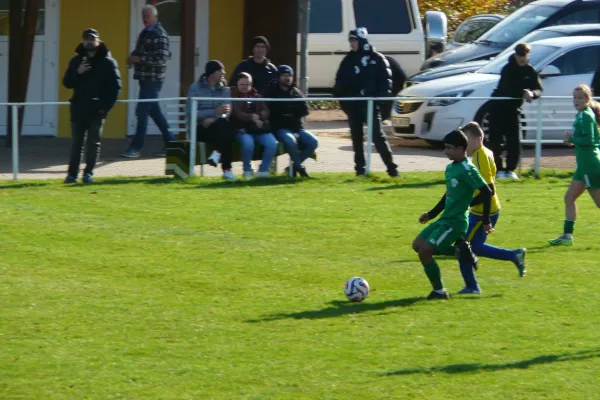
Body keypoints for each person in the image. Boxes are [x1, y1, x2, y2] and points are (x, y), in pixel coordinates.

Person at [413, 129, 493, 300]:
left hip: (456, 222)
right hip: (444, 219)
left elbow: (487, 191)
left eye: (449, 148)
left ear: (460, 148)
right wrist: (431, 214)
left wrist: (486, 220)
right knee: (417, 245)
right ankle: (461, 251)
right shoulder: (451, 168)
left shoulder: (468, 169)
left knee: (425, 251)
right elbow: (448, 194)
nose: (445, 151)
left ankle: (440, 291)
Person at [455, 122, 527, 294]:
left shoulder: (480, 156)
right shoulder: (486, 152)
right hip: (489, 208)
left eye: (468, 140)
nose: (465, 144)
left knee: (463, 247)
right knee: (476, 247)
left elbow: (488, 190)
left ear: (478, 138)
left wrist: (475, 209)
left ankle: (472, 286)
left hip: (482, 211)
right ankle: (514, 255)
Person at [334, 27, 398, 177]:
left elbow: (385, 81)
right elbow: (339, 82)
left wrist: (381, 101)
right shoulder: (348, 60)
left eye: (354, 40)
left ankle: (392, 168)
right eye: (350, 40)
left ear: (362, 40)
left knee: (377, 136)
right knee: (356, 138)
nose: (352, 43)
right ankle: (360, 170)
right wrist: (344, 100)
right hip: (354, 106)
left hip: (370, 106)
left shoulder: (377, 59)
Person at [63, 29, 122, 184]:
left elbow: (116, 88)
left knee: (93, 142)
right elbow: (67, 83)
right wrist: (78, 72)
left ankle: (88, 173)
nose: (89, 41)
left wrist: (105, 108)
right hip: (78, 108)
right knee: (77, 143)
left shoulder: (108, 62)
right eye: (86, 39)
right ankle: (72, 175)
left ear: (98, 41)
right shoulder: (76, 61)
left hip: (97, 110)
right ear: (82, 41)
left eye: (92, 39)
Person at [548, 84, 600, 246]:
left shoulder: (585, 116)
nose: (576, 101)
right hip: (583, 167)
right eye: (574, 98)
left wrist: (572, 139)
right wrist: (574, 139)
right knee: (569, 198)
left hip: (590, 166)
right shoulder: (581, 115)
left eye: (580, 98)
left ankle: (567, 235)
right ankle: (567, 236)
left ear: (587, 99)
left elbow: (590, 141)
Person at [123, 4, 174, 158]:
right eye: (143, 16)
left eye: (147, 16)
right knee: (154, 112)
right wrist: (131, 59)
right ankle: (172, 144)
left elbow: (162, 58)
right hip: (144, 78)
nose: (144, 19)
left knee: (142, 111)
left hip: (154, 79)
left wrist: (140, 59)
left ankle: (136, 147)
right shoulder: (145, 33)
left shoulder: (160, 34)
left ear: (155, 17)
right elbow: (138, 51)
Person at [489, 43, 542, 180]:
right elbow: (507, 89)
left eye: (524, 55)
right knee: (496, 141)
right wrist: (523, 92)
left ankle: (510, 170)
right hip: (498, 108)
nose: (521, 58)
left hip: (513, 110)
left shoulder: (530, 71)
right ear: (515, 54)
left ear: (527, 55)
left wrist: (532, 93)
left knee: (514, 142)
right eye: (519, 55)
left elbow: (538, 89)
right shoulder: (507, 69)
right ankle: (499, 169)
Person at [265, 65, 318, 178]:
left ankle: (293, 167)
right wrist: (289, 110)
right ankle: (300, 169)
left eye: (289, 75)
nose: (287, 78)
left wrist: (290, 110)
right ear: (278, 77)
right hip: (280, 128)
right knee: (290, 141)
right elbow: (270, 111)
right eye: (284, 75)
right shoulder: (271, 91)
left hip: (297, 127)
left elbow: (305, 111)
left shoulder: (296, 92)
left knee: (313, 142)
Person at [187, 60, 237, 181]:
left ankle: (216, 154)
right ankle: (227, 170)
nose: (224, 73)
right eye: (221, 70)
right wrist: (214, 113)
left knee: (225, 127)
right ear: (211, 74)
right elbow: (191, 113)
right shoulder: (195, 88)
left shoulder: (225, 89)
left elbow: (227, 111)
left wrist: (213, 119)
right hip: (200, 129)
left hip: (218, 126)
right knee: (226, 132)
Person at [230, 72, 278, 179]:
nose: (244, 87)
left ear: (251, 85)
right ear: (237, 84)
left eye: (247, 84)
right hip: (241, 129)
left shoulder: (257, 96)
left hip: (258, 129)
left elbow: (266, 111)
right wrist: (252, 117)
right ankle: (247, 170)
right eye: (242, 84)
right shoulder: (232, 96)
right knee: (248, 143)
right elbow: (237, 113)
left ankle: (263, 170)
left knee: (272, 143)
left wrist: (259, 117)